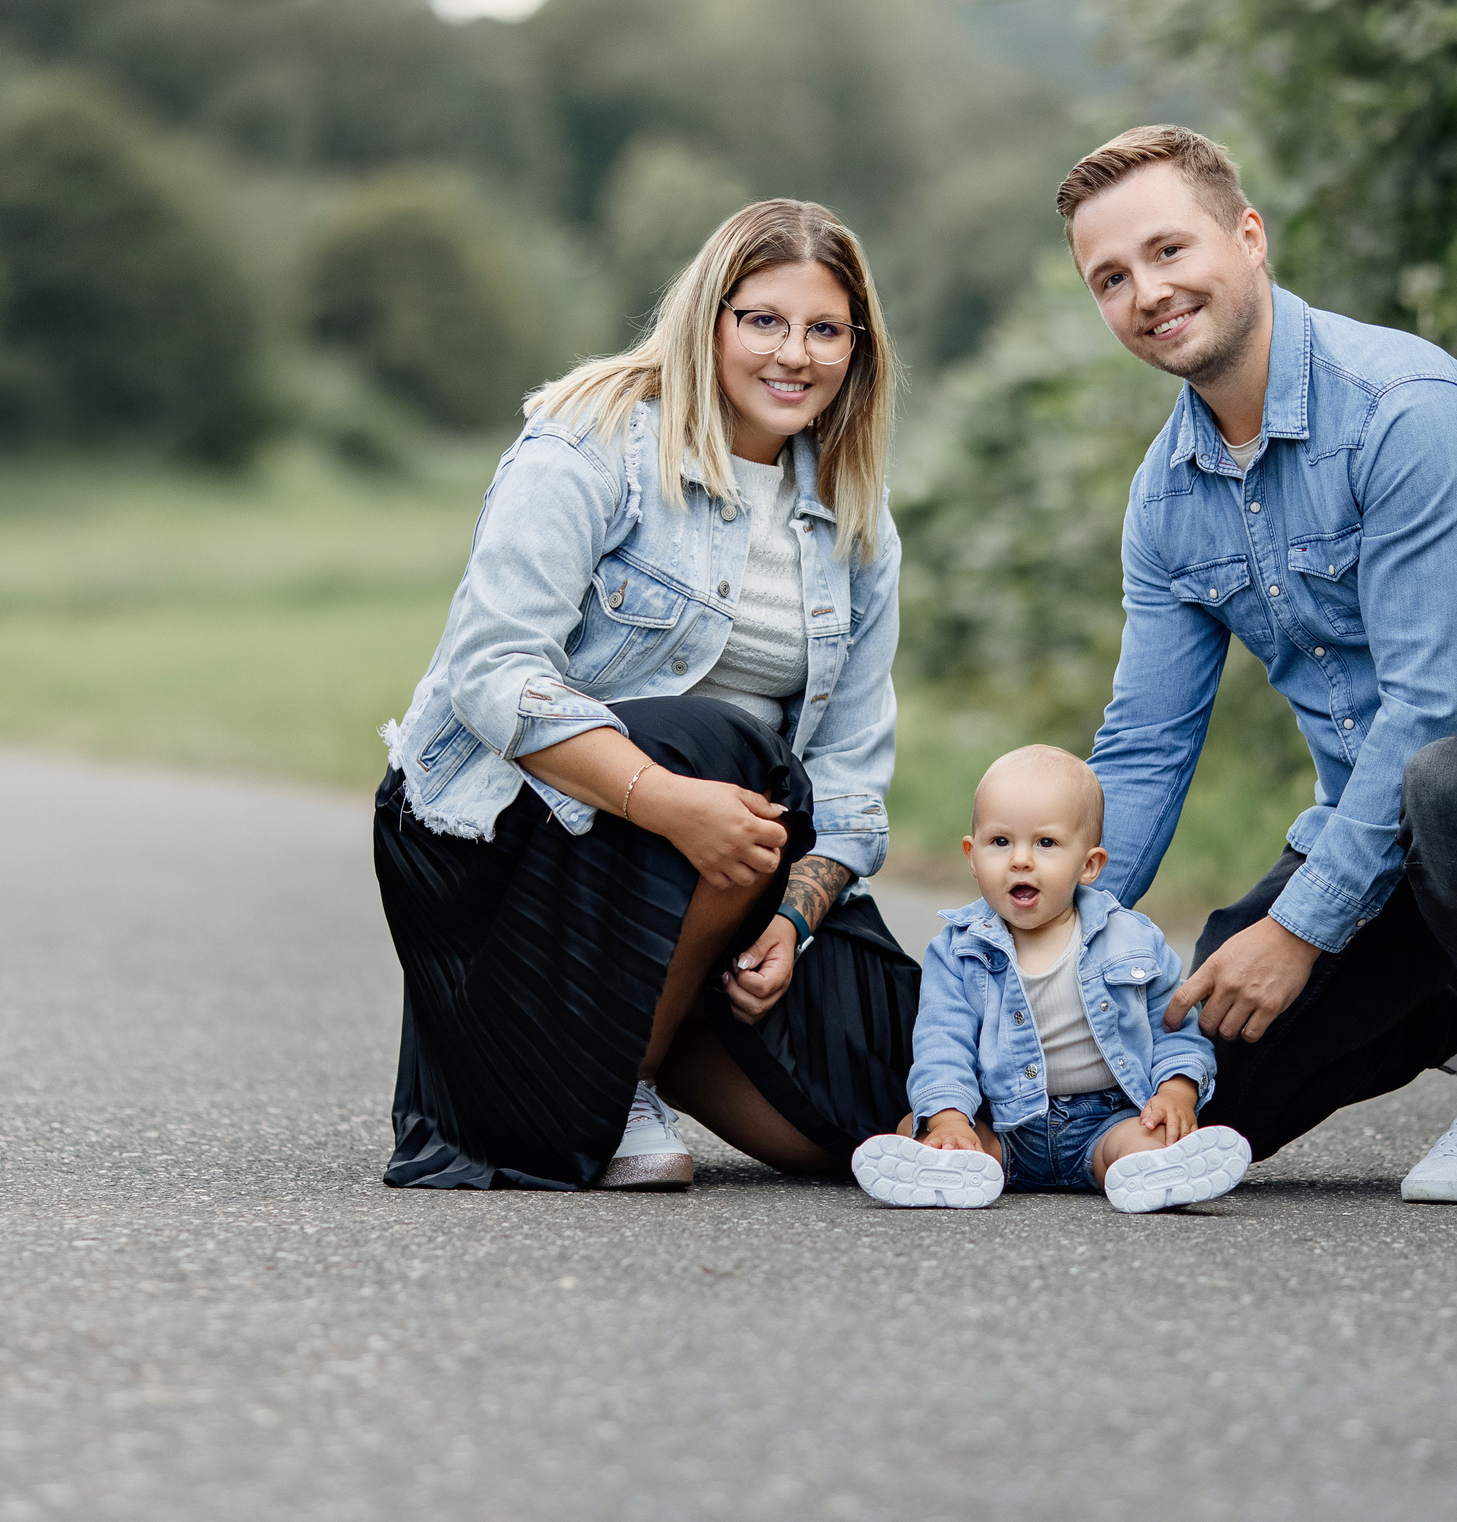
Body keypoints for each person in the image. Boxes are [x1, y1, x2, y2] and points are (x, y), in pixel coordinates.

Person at [1059, 126, 1457, 1204]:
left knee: (1456, 785)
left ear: (1247, 237)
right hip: (1380, 845)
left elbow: (1428, 708)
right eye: (1111, 278)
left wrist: (1301, 929)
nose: (1146, 292)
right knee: (1196, 1076)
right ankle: (1450, 990)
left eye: (1167, 251)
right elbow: (1145, 746)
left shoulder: (1405, 410)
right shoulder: (1165, 500)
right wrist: (1060, 933)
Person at [371, 198, 919, 1192]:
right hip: (500, 831)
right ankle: (596, 1082)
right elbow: (491, 671)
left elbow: (846, 771)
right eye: (761, 320)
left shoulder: (857, 517)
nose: (793, 353)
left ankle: (596, 1052)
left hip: (735, 853)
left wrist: (792, 920)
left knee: (879, 1118)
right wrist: (666, 801)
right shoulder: (594, 439)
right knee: (724, 747)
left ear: (858, 348)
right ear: (709, 317)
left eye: (825, 329)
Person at [849, 746, 1250, 1213]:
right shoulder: (958, 949)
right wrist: (949, 1118)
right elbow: (943, 1042)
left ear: (1089, 865)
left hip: (1108, 1119)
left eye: (1045, 844)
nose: (1020, 860)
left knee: (1152, 1135)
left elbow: (1174, 1028)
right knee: (915, 1127)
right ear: (971, 855)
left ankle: (1151, 1171)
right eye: (1000, 842)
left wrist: (1177, 1090)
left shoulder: (1133, 940)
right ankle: (955, 1168)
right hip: (1003, 1127)